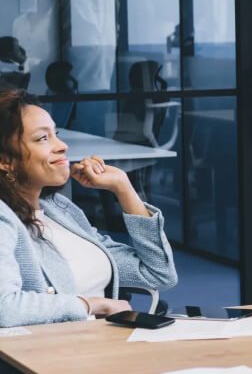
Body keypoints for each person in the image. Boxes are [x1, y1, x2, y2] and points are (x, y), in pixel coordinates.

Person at [0, 89, 177, 327]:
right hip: (59, 347)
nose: (61, 146)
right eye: (42, 138)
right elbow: (5, 308)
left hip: (100, 343)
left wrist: (123, 188)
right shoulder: (4, 218)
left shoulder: (59, 210)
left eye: (56, 134)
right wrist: (93, 304)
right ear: (5, 160)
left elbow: (158, 273)